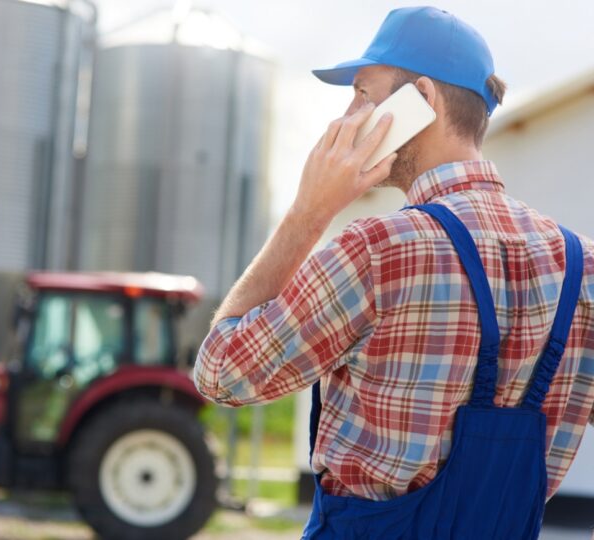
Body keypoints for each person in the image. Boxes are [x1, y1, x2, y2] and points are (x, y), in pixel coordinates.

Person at [194, 6, 594, 539]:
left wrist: (308, 212)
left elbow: (223, 372)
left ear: (422, 101)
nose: (348, 116)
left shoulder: (377, 249)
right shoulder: (582, 264)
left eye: (363, 92)